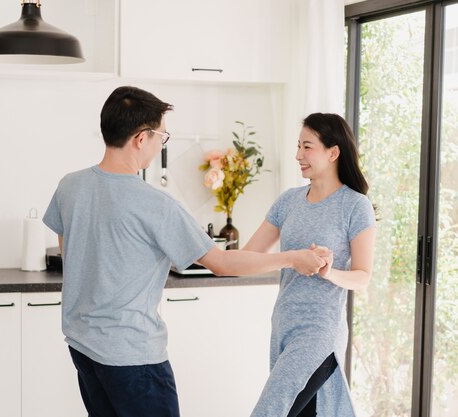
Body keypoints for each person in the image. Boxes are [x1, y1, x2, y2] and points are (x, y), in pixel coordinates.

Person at [42, 86, 330, 417]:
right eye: (161, 138)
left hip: (83, 348)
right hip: (134, 358)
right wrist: (293, 258)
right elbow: (221, 263)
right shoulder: (154, 204)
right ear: (141, 138)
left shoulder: (70, 185)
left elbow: (69, 251)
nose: (158, 145)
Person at [245, 113, 377, 417]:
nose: (298, 155)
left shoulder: (355, 206)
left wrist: (329, 272)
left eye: (307, 147)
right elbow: (250, 256)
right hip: (283, 325)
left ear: (333, 152)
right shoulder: (288, 201)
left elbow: (363, 277)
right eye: (298, 146)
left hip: (320, 331)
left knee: (270, 411)